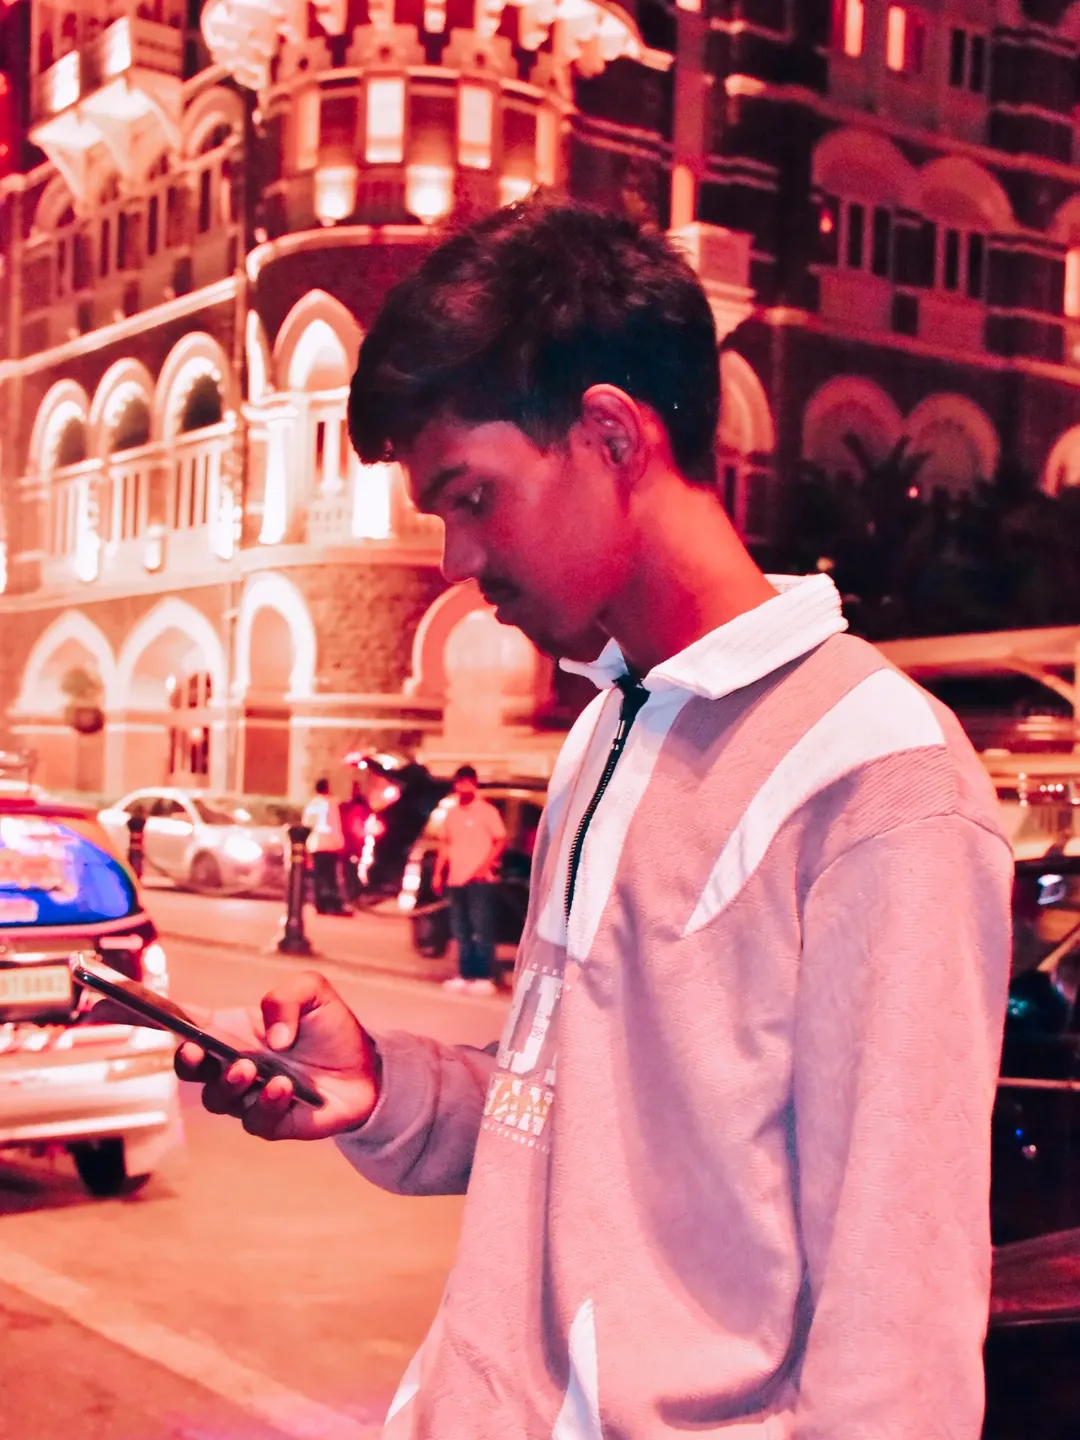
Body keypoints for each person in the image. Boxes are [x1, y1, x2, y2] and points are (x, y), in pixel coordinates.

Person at [171, 200, 1011, 1438]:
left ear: (613, 435)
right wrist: (386, 1088)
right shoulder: (612, 725)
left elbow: (901, 1321)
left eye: (474, 495)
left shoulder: (881, 779)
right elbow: (584, 1122)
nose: (458, 558)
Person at [434, 764, 506, 996]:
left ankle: (484, 976)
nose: (463, 787)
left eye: (468, 782)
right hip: (456, 878)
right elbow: (445, 845)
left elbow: (500, 840)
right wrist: (438, 873)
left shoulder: (487, 811)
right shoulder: (452, 813)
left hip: (480, 880)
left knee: (481, 928)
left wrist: (484, 866)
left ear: (474, 784)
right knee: (460, 930)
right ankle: (465, 974)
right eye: (460, 782)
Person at [300, 778, 346, 915]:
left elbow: (306, 824)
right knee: (331, 877)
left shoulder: (311, 805)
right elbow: (336, 825)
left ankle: (319, 904)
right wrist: (340, 843)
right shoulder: (331, 803)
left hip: (316, 845)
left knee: (318, 876)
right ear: (327, 788)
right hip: (330, 845)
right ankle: (333, 904)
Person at [340, 780, 372, 904]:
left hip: (352, 846)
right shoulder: (355, 809)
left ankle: (354, 893)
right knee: (351, 871)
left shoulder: (352, 809)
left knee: (351, 871)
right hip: (352, 846)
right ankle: (353, 894)